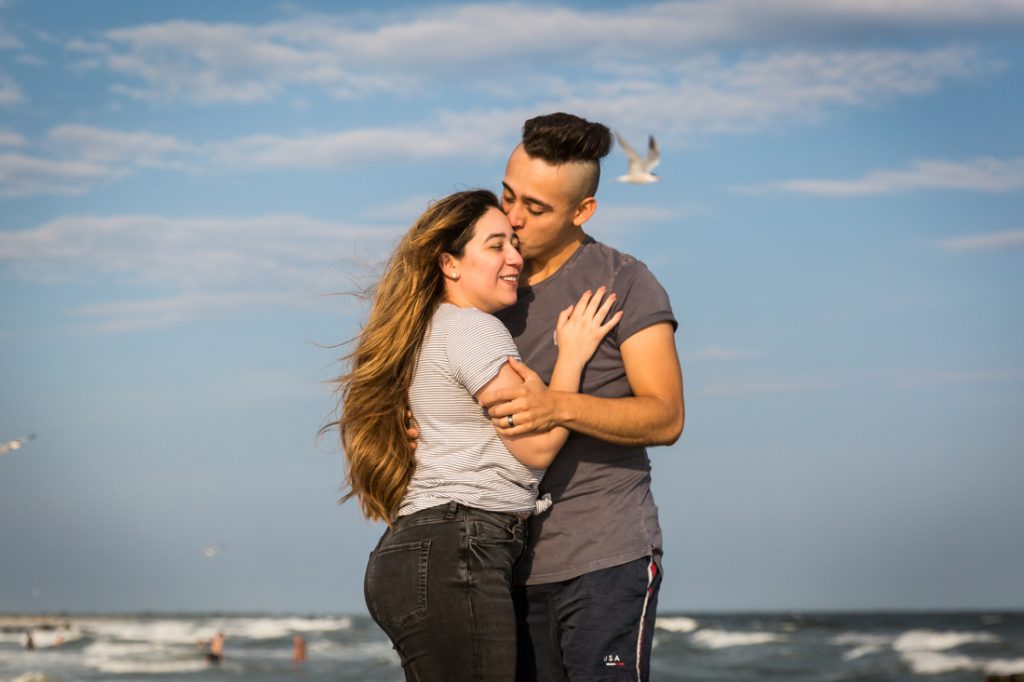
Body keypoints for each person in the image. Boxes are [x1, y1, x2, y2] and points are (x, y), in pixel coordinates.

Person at [334, 189, 621, 681]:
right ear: (450, 263)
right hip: (456, 550)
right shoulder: (473, 328)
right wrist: (572, 355)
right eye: (496, 246)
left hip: (422, 553)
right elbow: (533, 448)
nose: (516, 257)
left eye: (515, 242)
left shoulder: (430, 328)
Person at [483, 113, 685, 681]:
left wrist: (558, 406)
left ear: (583, 212)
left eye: (537, 208)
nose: (514, 220)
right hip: (500, 566)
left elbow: (666, 416)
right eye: (507, 196)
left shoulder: (624, 282)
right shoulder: (481, 284)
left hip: (606, 560)